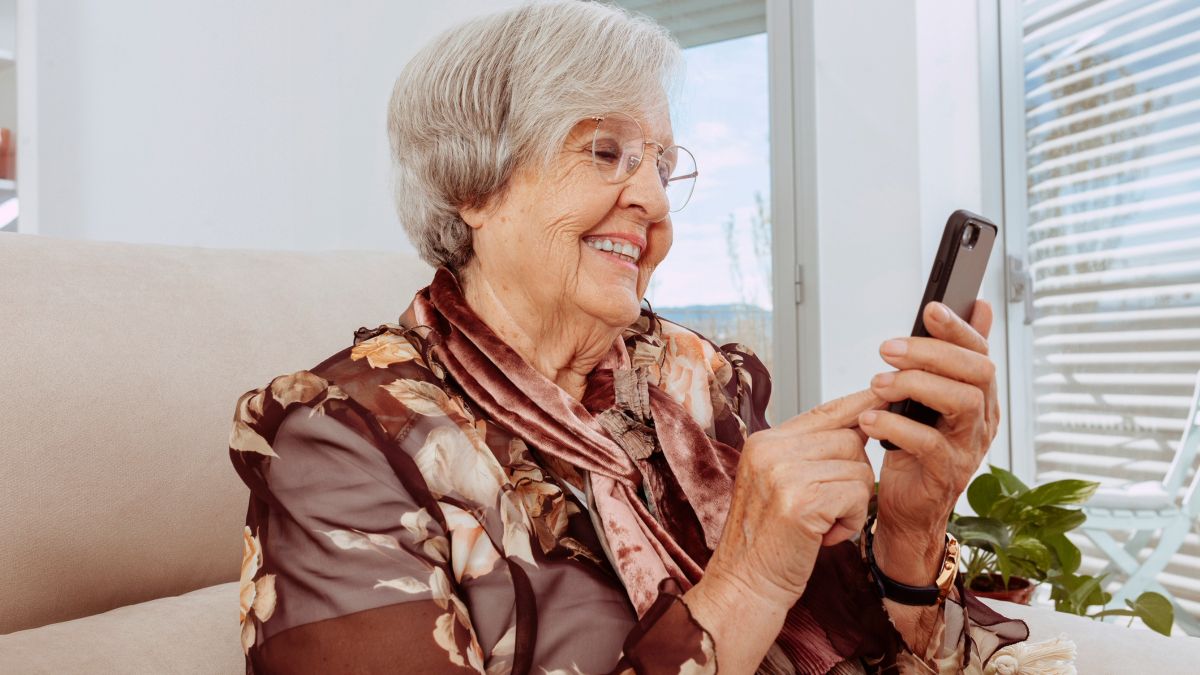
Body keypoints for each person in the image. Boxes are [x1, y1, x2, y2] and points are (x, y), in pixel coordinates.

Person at [229, 2, 1035, 672]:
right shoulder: (340, 445)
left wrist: (909, 527)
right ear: (474, 183)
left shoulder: (696, 378)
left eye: (661, 162)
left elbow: (877, 648)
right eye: (607, 152)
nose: (652, 199)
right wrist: (745, 582)